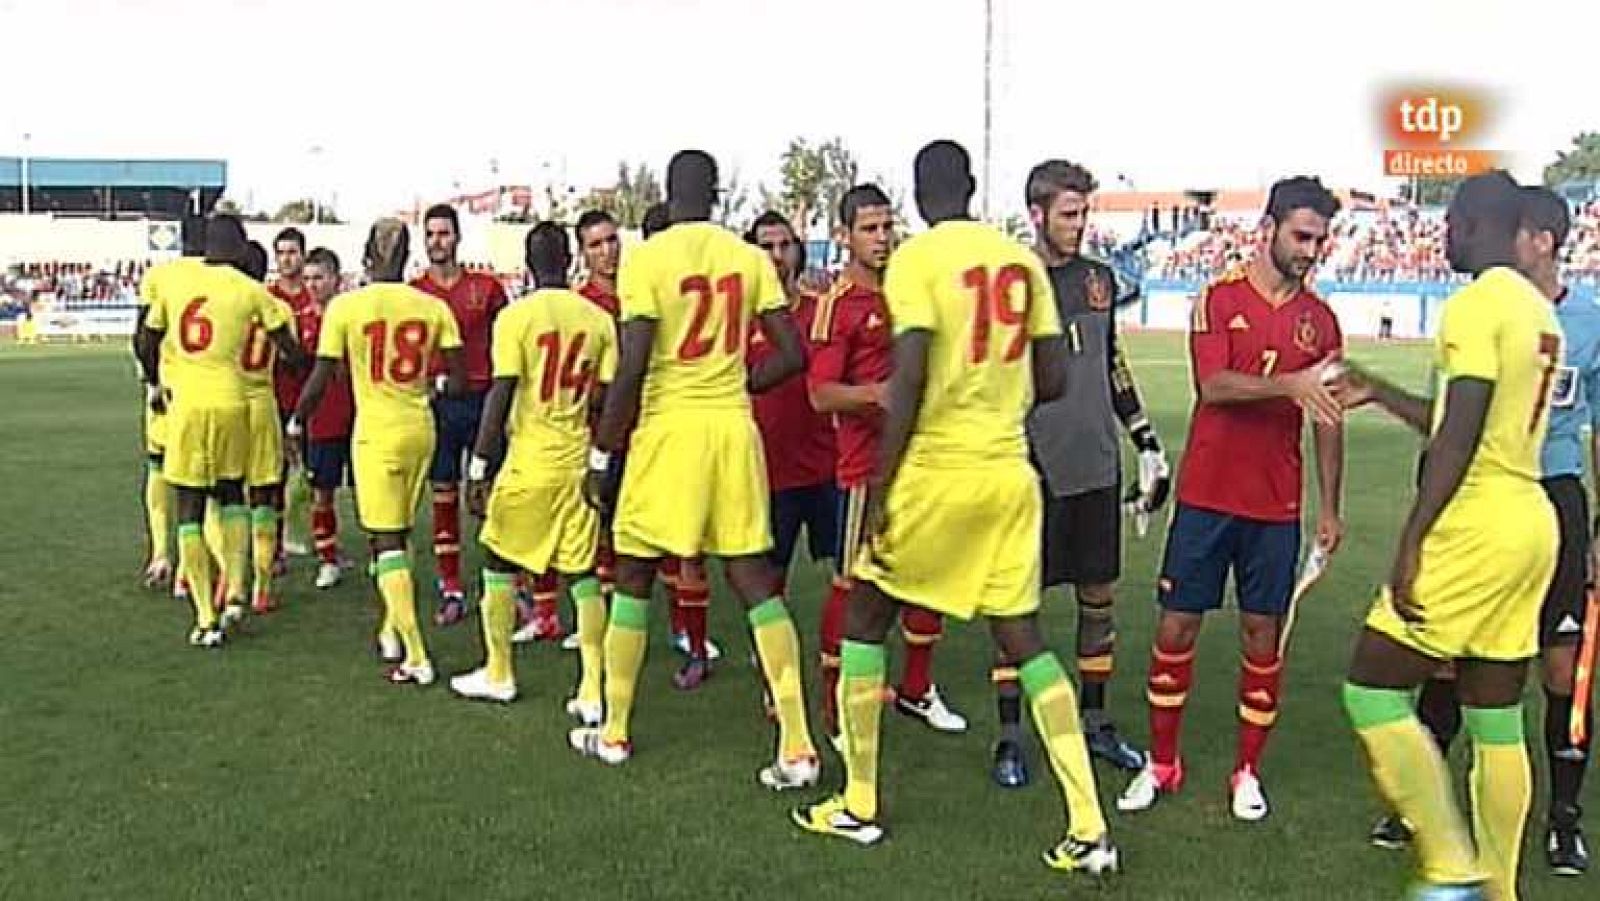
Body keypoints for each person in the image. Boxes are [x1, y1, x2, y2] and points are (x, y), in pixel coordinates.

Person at [791, 140, 1118, 876]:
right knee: (1025, 639)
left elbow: (905, 380)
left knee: (867, 616)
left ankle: (860, 800)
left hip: (937, 471)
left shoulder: (917, 260)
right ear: (972, 187)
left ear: (915, 196)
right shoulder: (1018, 261)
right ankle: (1089, 825)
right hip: (1007, 472)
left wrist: (880, 486)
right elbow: (1056, 375)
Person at [1336, 171, 1562, 900]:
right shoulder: (1536, 309)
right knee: (1496, 710)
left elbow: (1459, 434)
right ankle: (1500, 886)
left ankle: (1449, 861)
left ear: (1469, 223)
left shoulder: (1474, 303)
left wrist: (1412, 538)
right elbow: (1463, 412)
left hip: (1476, 519)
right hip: (1530, 515)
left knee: (1371, 686)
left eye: (1450, 224)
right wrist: (1379, 389)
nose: (1443, 237)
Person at [571, 149, 819, 791]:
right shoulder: (747, 258)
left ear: (667, 190)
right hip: (734, 429)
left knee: (632, 574)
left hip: (669, 431)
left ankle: (616, 730)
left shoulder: (648, 258)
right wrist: (739, 378)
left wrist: (602, 453)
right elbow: (792, 354)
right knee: (754, 580)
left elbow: (631, 366)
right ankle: (797, 745)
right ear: (717, 193)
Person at [1118, 176, 1345, 822]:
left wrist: (1329, 508)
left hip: (1275, 506)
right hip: (1207, 497)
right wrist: (1292, 383)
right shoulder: (1216, 299)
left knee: (1262, 635)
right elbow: (1212, 385)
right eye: (1302, 235)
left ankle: (1247, 770)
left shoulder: (1321, 321)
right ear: (1267, 228)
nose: (1311, 249)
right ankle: (1162, 763)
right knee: (1175, 627)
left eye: (1321, 239)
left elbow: (1329, 419)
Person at [994, 160, 1167, 786]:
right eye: (1069, 214)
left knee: (1099, 600)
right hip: (1029, 466)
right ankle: (1012, 736)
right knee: (1017, 606)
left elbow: (1111, 362)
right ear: (1037, 213)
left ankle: (1095, 724)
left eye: (1084, 212)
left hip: (1096, 463)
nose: (1079, 224)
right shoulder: (1011, 281)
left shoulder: (1099, 280)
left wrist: (1146, 441)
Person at [807, 185, 967, 738]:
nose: (881, 238)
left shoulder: (910, 289)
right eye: (869, 229)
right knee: (852, 586)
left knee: (928, 578)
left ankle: (918, 690)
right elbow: (821, 394)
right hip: (863, 471)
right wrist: (878, 396)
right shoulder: (836, 304)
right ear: (845, 235)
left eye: (886, 226)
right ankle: (832, 706)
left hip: (922, 463)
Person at [292, 218, 466, 684]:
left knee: (386, 539)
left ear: (367, 257)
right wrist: (429, 387)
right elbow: (459, 377)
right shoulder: (431, 306)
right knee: (400, 531)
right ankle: (392, 626)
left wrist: (296, 420)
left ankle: (415, 655)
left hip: (377, 433)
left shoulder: (347, 307)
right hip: (420, 427)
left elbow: (322, 374)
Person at [454, 221, 615, 709]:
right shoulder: (597, 320)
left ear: (528, 264)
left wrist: (479, 467)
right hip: (576, 459)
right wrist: (598, 460)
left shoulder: (517, 318)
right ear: (570, 261)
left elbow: (500, 395)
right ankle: (591, 688)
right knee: (583, 573)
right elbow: (605, 401)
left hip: (531, 459)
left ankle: (499, 671)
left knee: (498, 562)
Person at [135, 214, 300, 647]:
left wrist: (156, 378)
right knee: (233, 497)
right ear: (241, 247)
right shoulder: (253, 291)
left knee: (190, 506)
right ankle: (239, 593)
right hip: (238, 404)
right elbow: (291, 351)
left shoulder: (175, 283)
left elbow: (144, 340)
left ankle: (205, 617)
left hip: (186, 404)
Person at [724, 210, 844, 696]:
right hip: (767, 469)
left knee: (851, 569)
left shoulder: (821, 309)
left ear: (798, 249)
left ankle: (843, 657)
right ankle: (772, 655)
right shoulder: (739, 317)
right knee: (766, 576)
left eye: (784, 245)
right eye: (766, 247)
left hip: (826, 462)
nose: (777, 257)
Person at [410, 204, 510, 625]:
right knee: (444, 495)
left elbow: (507, 340)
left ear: (457, 237)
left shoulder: (486, 288)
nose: (437, 241)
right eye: (430, 234)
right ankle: (450, 585)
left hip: (484, 403)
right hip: (439, 404)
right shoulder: (415, 292)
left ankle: (506, 584)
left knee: (495, 496)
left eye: (444, 233)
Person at [135, 214, 206, 593]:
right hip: (207, 392)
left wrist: (153, 381)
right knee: (203, 483)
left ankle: (161, 554)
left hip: (167, 391)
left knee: (158, 468)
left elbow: (142, 335)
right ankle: (189, 571)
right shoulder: (224, 277)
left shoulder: (159, 276)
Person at [233, 240, 298, 615]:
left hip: (229, 400)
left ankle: (231, 577)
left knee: (226, 496)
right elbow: (292, 356)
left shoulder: (226, 303)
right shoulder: (279, 308)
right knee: (263, 497)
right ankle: (262, 586)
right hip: (263, 403)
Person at [297, 248, 356, 591]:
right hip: (321, 421)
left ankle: (385, 554)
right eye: (308, 279)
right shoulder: (300, 319)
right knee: (322, 492)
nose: (312, 285)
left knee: (368, 494)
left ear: (336, 278)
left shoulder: (352, 316)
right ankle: (328, 558)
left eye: (319, 278)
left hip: (358, 415)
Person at [270, 227, 316, 559]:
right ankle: (274, 542)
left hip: (314, 398)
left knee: (314, 473)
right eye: (281, 253)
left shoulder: (314, 295)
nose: (287, 259)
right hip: (277, 396)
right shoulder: (267, 297)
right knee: (276, 471)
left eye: (292, 252)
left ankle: (310, 534)